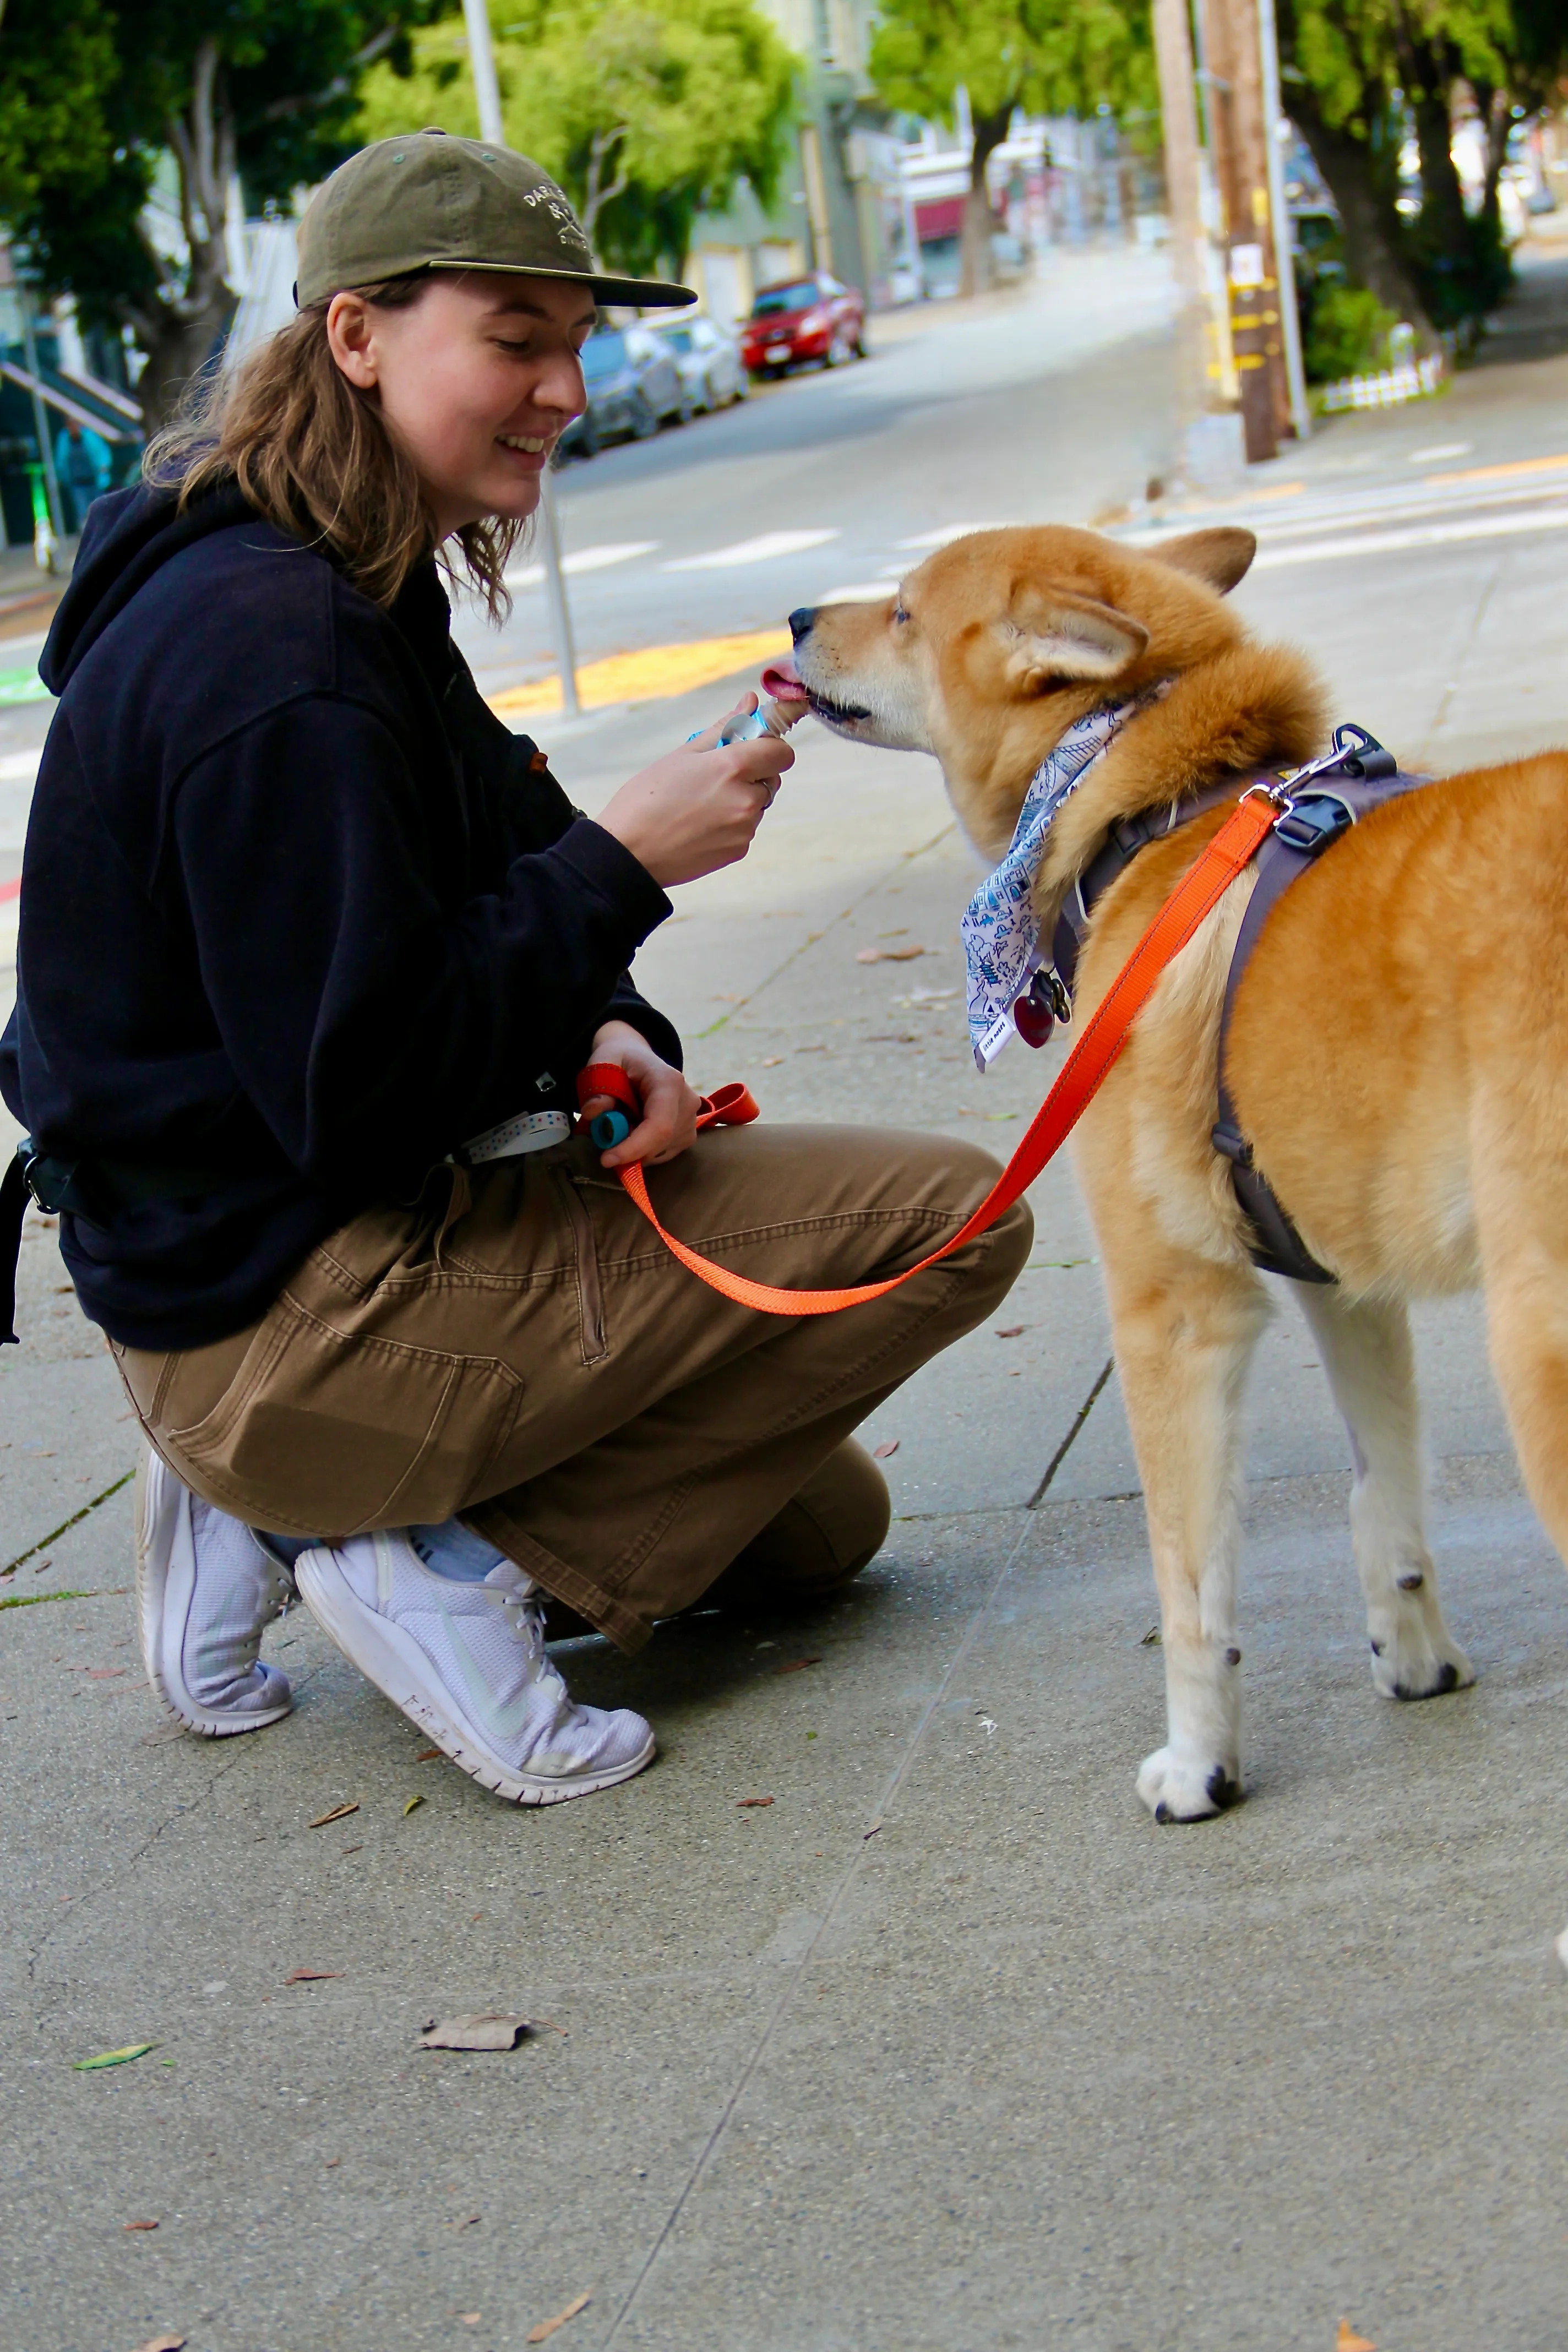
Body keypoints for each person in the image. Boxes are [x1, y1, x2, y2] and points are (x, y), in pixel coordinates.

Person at [1, 132, 1031, 1805]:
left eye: (574, 338)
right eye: (512, 337)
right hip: (288, 1293)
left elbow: (484, 883)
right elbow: (360, 1091)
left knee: (821, 1533)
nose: (563, 385)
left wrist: (612, 1026)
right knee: (952, 1221)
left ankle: (284, 1495)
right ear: (356, 336)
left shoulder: (334, 571)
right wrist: (624, 869)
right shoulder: (274, 653)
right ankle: (416, 1557)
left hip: (250, 1250)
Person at [52, 417, 112, 535]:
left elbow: (102, 452)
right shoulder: (64, 441)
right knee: (82, 510)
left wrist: (104, 466)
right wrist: (60, 476)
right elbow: (60, 461)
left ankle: (102, 531)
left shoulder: (90, 437)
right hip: (77, 482)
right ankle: (87, 534)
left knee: (98, 506)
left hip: (94, 480)